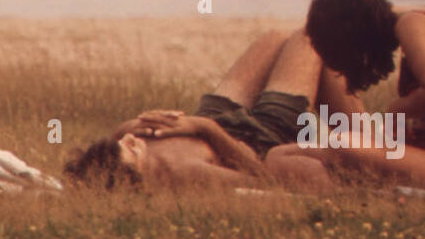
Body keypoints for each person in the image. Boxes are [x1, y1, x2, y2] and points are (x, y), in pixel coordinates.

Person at [63, 26, 362, 190]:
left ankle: (356, 143)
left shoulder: (132, 140)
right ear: (134, 175)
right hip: (257, 136)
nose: (130, 140)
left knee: (274, 38)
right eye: (129, 149)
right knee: (311, 39)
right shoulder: (186, 173)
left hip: (212, 115)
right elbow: (264, 179)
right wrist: (206, 129)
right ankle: (370, 150)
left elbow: (120, 137)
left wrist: (139, 123)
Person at [265, 0, 425, 191]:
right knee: (278, 155)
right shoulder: (423, 17)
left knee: (341, 142)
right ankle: (341, 186)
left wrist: (395, 111)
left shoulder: (411, 23)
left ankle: (345, 194)